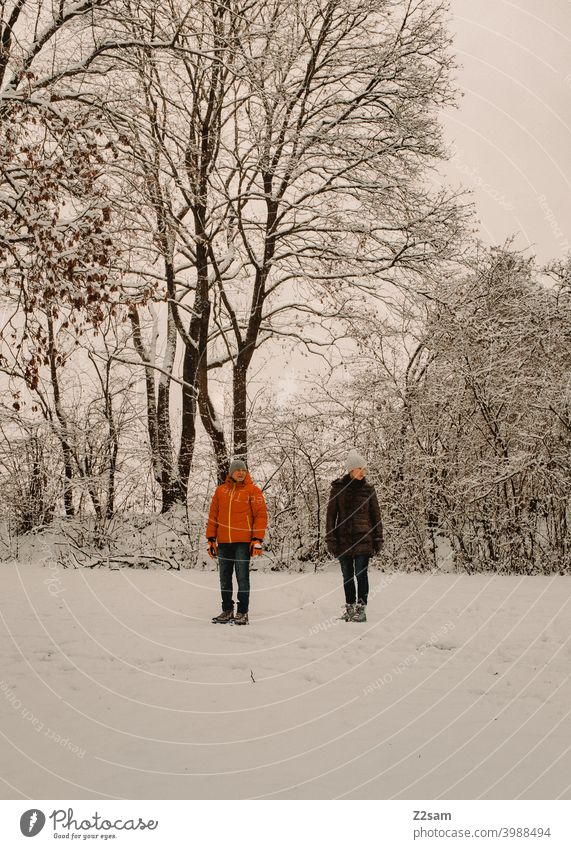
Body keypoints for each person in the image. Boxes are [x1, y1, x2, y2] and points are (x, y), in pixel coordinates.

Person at [206, 459, 268, 625]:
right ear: (231, 473)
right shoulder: (221, 491)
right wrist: (211, 539)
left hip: (243, 542)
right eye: (237, 470)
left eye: (243, 470)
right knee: (224, 578)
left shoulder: (253, 491)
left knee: (242, 577)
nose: (241, 472)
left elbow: (261, 516)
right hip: (224, 542)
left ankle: (242, 612)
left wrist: (257, 539)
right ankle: (227, 610)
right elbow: (213, 516)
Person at [325, 449, 383, 622]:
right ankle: (350, 607)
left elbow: (376, 516)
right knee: (347, 575)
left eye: (364, 469)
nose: (363, 472)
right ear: (351, 470)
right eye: (359, 469)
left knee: (361, 574)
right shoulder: (338, 489)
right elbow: (330, 516)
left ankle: (361, 609)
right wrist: (330, 539)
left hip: (364, 540)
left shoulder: (369, 490)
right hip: (343, 541)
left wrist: (378, 538)